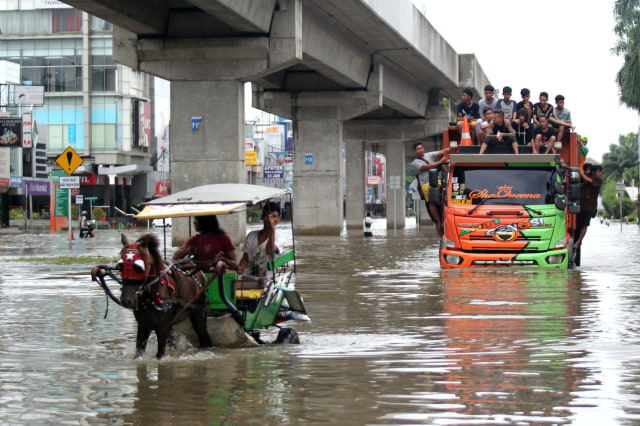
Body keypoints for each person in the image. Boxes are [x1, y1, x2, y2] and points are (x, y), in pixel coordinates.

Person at [412, 141, 450, 236]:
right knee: (431, 202)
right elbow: (427, 166)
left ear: (423, 148)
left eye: (421, 148)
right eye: (418, 149)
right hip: (426, 184)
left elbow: (442, 151)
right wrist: (440, 162)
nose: (420, 150)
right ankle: (438, 221)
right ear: (415, 151)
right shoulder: (415, 162)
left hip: (437, 181)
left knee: (444, 197)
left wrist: (454, 148)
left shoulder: (429, 155)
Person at [237, 202, 281, 280]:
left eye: (274, 216)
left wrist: (272, 229)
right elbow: (245, 258)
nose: (270, 220)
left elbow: (269, 250)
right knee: (233, 286)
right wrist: (241, 266)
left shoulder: (279, 238)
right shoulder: (251, 236)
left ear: (278, 219)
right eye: (269, 216)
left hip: (268, 281)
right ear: (263, 217)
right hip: (249, 278)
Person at [173, 215, 237, 267]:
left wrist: (224, 259)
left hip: (217, 276)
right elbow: (175, 256)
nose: (194, 222)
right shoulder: (195, 239)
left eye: (196, 219)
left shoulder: (224, 238)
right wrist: (188, 250)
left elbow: (235, 263)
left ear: (204, 222)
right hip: (198, 276)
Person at [574, 164, 603, 251]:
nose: (600, 174)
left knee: (584, 225)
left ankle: (578, 242)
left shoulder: (598, 181)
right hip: (581, 206)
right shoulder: (587, 176)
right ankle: (577, 240)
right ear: (593, 172)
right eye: (599, 172)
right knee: (578, 225)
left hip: (590, 207)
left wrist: (579, 171)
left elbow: (588, 180)